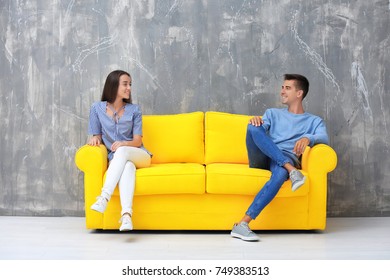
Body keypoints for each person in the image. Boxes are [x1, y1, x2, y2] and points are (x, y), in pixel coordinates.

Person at [231, 74, 329, 241]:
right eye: (282, 87)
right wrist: (257, 122)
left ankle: (242, 225)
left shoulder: (314, 121)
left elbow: (324, 138)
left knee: (280, 174)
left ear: (299, 93)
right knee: (252, 128)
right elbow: (259, 132)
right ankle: (291, 170)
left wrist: (308, 138)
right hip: (264, 156)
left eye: (287, 88)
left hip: (285, 158)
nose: (282, 91)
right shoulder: (272, 113)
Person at [87, 70, 152, 231]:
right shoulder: (96, 108)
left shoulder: (134, 110)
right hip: (121, 160)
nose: (129, 88)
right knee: (127, 166)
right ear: (113, 85)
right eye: (125, 84)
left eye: (130, 84)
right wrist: (94, 139)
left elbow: (137, 141)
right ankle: (126, 216)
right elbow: (96, 135)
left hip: (140, 155)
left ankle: (104, 197)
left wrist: (123, 143)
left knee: (122, 151)